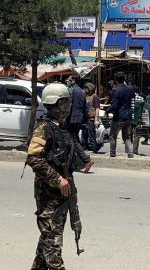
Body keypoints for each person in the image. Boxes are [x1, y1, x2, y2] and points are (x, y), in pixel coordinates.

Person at [26, 82, 90, 270]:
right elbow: (33, 159)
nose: (67, 107)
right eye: (64, 103)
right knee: (53, 243)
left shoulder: (63, 129)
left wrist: (72, 189)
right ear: (54, 104)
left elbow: (67, 167)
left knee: (47, 240)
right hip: (48, 196)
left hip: (62, 195)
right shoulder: (43, 128)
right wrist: (57, 179)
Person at [107, 72, 135, 158]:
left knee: (112, 135)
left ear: (115, 80)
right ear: (124, 79)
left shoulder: (116, 90)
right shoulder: (130, 89)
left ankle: (112, 153)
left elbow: (114, 105)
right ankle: (130, 153)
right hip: (128, 116)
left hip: (119, 117)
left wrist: (107, 111)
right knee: (126, 136)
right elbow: (132, 98)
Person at [81, 82, 100, 153]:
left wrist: (96, 119)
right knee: (84, 135)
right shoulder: (84, 96)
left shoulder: (94, 96)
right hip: (84, 119)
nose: (85, 89)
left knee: (91, 135)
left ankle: (94, 150)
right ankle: (84, 149)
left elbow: (97, 108)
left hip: (91, 119)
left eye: (86, 88)